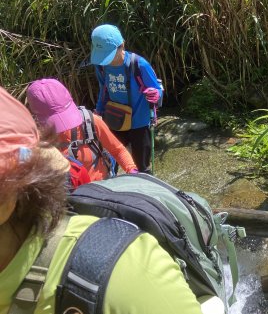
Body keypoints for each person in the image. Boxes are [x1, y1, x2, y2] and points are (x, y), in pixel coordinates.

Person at [0, 86, 224, 313]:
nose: (65, 128)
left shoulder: (91, 122)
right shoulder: (29, 145)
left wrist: (134, 172)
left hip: (105, 195)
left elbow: (117, 149)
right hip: (75, 203)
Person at [26, 78, 138, 182]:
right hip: (66, 196)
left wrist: (132, 170)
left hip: (100, 189)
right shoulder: (33, 138)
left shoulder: (89, 121)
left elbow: (118, 150)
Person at [90, 24, 162, 174]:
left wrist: (155, 94)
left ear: (121, 45)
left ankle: (145, 189)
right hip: (114, 118)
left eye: (108, 55)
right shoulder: (101, 66)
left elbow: (157, 91)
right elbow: (103, 89)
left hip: (139, 122)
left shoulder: (139, 64)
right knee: (110, 160)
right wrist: (99, 111)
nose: (106, 60)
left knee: (141, 164)